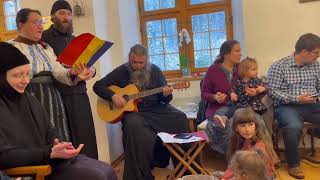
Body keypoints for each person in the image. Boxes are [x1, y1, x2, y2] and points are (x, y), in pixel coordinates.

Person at [0, 42, 117, 180]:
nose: (26, 81)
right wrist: (49, 152)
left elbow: (49, 130)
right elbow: (4, 157)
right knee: (98, 176)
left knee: (107, 170)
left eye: (27, 74)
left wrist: (60, 145)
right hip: (33, 170)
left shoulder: (28, 99)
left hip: (49, 161)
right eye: (18, 75)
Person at [93, 44, 191, 180]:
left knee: (180, 117)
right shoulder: (121, 71)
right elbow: (97, 85)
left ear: (146, 60)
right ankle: (139, 176)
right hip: (135, 113)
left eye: (141, 63)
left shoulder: (155, 71)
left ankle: (186, 170)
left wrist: (167, 93)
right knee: (133, 125)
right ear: (129, 59)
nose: (138, 66)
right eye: (134, 62)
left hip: (156, 108)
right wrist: (113, 96)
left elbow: (166, 100)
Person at [8, 8, 95, 142]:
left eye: (41, 22)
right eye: (36, 22)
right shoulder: (10, 48)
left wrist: (73, 72)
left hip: (53, 98)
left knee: (58, 137)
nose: (41, 27)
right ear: (21, 25)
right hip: (27, 98)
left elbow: (58, 71)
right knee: (35, 137)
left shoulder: (46, 48)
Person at [42, 0, 98, 159]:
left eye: (68, 14)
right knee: (64, 138)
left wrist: (92, 71)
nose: (66, 17)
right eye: (61, 13)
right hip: (58, 95)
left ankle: (90, 172)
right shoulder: (44, 38)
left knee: (85, 138)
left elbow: (88, 65)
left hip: (79, 94)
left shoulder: (76, 39)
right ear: (53, 16)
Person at [268, 33, 320, 179]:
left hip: (312, 104)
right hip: (287, 106)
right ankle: (293, 164)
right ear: (304, 52)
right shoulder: (279, 66)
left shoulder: (316, 66)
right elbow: (272, 91)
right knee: (292, 127)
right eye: (316, 53)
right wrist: (296, 98)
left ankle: (315, 132)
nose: (318, 56)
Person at [201, 40, 241, 154]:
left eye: (240, 51)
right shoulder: (213, 70)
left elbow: (253, 81)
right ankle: (232, 162)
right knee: (230, 124)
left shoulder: (241, 69)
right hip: (218, 110)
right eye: (237, 51)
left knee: (257, 120)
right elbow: (204, 93)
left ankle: (265, 159)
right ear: (226, 54)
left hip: (239, 107)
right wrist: (214, 97)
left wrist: (257, 89)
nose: (240, 54)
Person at [221, 108, 278, 180]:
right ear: (236, 128)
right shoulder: (238, 140)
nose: (247, 129)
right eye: (243, 125)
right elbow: (233, 165)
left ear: (256, 126)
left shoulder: (259, 146)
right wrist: (224, 177)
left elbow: (254, 172)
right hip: (245, 173)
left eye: (250, 124)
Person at [213, 57, 268, 128]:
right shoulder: (238, 82)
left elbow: (266, 86)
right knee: (233, 109)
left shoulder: (257, 80)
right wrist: (232, 94)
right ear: (245, 71)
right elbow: (232, 90)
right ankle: (224, 119)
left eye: (256, 69)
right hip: (240, 104)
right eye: (253, 69)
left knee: (254, 116)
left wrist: (262, 88)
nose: (257, 71)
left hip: (253, 105)